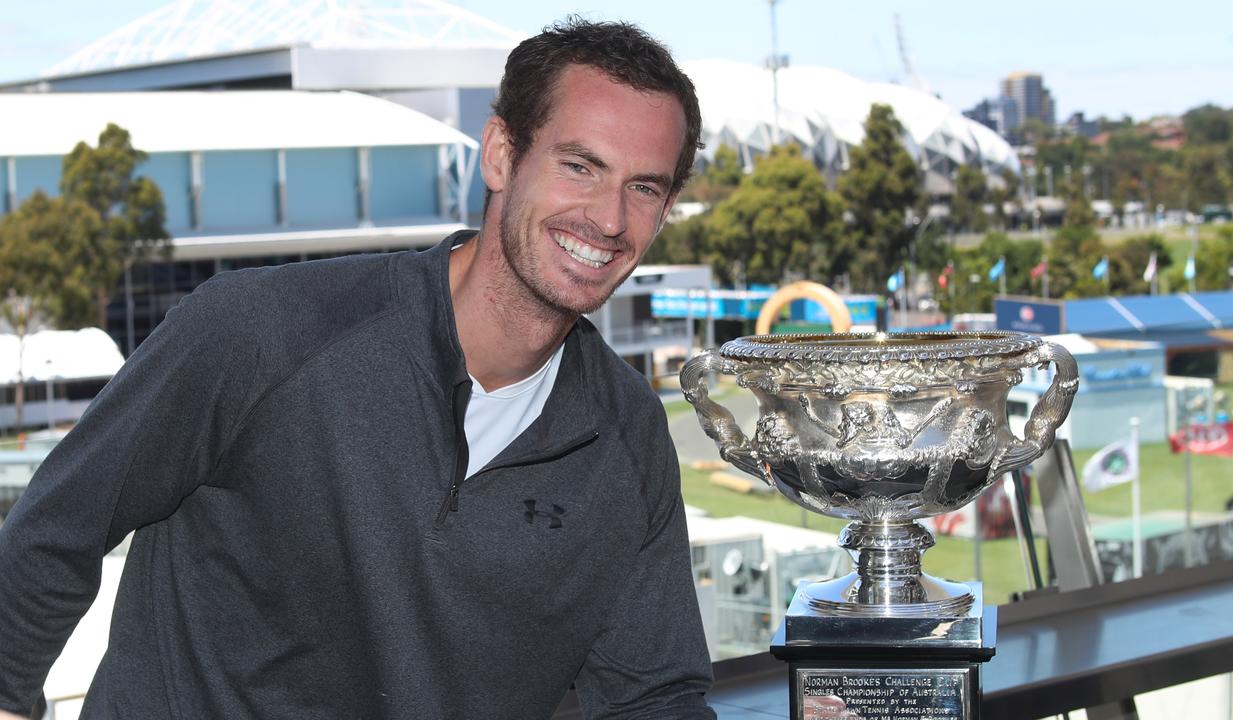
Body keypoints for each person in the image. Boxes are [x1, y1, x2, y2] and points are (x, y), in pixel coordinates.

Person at [0, 17, 714, 719]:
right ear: (500, 153)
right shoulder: (262, 332)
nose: (610, 218)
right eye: (579, 166)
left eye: (643, 188)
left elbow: (652, 697)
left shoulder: (627, 438)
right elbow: (53, 533)